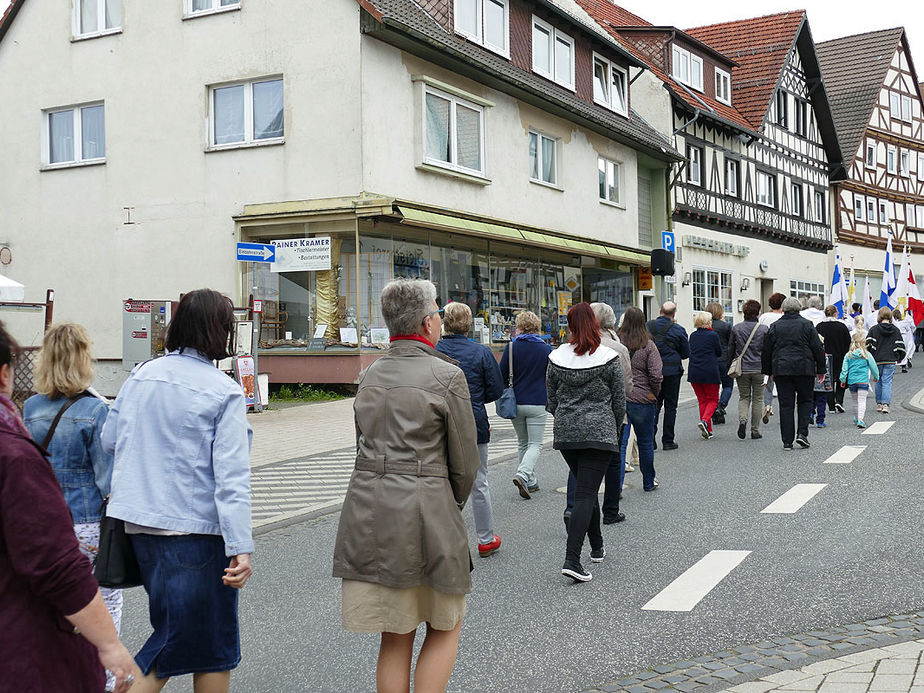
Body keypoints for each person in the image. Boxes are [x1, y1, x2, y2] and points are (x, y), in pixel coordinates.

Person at [101, 289, 254, 693]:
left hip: (138, 524)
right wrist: (241, 545)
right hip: (196, 532)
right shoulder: (223, 391)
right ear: (221, 331)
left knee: (208, 644)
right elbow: (231, 477)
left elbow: (109, 439)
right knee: (181, 640)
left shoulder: (142, 375)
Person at [333, 279, 479, 692]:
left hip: (371, 511)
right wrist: (449, 504)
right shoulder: (447, 376)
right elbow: (465, 465)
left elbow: (362, 439)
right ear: (426, 322)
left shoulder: (370, 374)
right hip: (428, 512)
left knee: (395, 634)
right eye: (435, 311)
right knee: (445, 622)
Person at [0, 321, 139, 693]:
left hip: (44, 523)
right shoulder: (95, 410)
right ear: (83, 359)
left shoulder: (29, 407)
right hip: (89, 524)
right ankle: (110, 680)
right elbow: (107, 480)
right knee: (103, 608)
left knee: (57, 611)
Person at [547, 303, 625, 583]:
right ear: (594, 324)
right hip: (600, 432)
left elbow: (551, 399)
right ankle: (572, 560)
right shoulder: (608, 356)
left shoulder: (556, 357)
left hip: (567, 433)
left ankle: (597, 546)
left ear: (569, 326)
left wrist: (566, 417)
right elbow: (619, 400)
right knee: (585, 494)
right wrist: (614, 429)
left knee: (585, 488)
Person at [436, 302, 504, 558]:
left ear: (444, 323)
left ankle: (443, 542)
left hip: (439, 423)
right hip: (474, 421)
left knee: (441, 482)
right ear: (468, 324)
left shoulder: (433, 350)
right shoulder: (481, 352)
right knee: (479, 481)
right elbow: (496, 390)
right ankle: (486, 539)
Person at [499, 310, 553, 499]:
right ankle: (523, 474)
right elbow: (551, 377)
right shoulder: (547, 350)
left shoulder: (512, 347)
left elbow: (502, 374)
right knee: (535, 444)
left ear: (519, 327)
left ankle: (530, 481)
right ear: (537, 328)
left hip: (516, 402)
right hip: (538, 401)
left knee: (523, 442)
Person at [761, 297, 826, 450]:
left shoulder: (775, 326)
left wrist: (768, 371)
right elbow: (818, 348)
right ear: (799, 309)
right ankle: (802, 434)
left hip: (782, 369)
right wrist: (821, 370)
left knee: (786, 405)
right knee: (805, 401)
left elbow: (766, 351)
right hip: (804, 368)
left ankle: (787, 441)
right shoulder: (807, 325)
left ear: (783, 310)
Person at [591, 302, 632, 526]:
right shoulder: (618, 348)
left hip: (578, 416)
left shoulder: (576, 345)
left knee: (582, 464)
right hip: (611, 414)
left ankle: (574, 506)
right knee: (614, 461)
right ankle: (611, 509)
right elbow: (627, 386)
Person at [617, 307, 662, 493]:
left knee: (621, 445)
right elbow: (656, 374)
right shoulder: (648, 345)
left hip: (621, 398)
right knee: (645, 442)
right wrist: (654, 393)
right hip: (643, 399)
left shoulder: (617, 342)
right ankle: (649, 481)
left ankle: (616, 487)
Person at [647, 302, 689, 450]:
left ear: (660, 311)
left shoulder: (648, 327)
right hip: (672, 373)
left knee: (654, 405)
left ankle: (650, 439)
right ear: (674, 314)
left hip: (652, 372)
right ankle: (668, 440)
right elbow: (685, 353)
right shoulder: (678, 329)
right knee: (671, 406)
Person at [727, 299, 768, 440]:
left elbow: (731, 349)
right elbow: (767, 350)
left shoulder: (736, 328)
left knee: (744, 397)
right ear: (757, 313)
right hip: (759, 367)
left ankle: (743, 420)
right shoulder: (764, 329)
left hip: (742, 368)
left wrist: (729, 366)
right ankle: (755, 430)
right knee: (758, 398)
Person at [687, 311, 723, 440]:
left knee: (702, 400)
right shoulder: (713, 335)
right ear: (708, 322)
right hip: (709, 371)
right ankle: (705, 421)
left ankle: (708, 429)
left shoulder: (693, 336)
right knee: (713, 399)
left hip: (694, 371)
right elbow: (719, 352)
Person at [867, 307, 906, 414]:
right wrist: (899, 357)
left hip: (877, 359)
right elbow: (901, 346)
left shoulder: (873, 329)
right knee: (887, 381)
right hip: (890, 359)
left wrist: (869, 357)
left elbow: (867, 345)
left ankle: (879, 404)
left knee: (878, 380)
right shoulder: (895, 330)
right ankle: (885, 404)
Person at [839, 329, 879, 428]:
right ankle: (861, 419)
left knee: (854, 401)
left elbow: (844, 369)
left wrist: (843, 380)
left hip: (852, 381)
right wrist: (876, 376)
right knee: (862, 400)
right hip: (863, 381)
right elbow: (873, 367)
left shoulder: (848, 355)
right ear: (863, 343)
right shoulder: (866, 354)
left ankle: (856, 417)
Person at [816, 306, 851, 414]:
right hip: (840, 356)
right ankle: (839, 400)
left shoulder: (819, 327)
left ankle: (831, 405)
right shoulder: (842, 326)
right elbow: (848, 342)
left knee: (828, 380)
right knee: (841, 378)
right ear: (836, 313)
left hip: (825, 357)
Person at [758, 292, 786, 424]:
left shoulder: (764, 317)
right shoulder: (784, 317)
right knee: (783, 381)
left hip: (766, 349)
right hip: (782, 351)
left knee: (768, 380)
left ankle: (768, 404)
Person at [705, 302, 733, 425]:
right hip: (724, 359)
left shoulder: (705, 326)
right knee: (728, 385)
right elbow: (731, 344)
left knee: (713, 387)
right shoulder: (726, 326)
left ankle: (715, 408)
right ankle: (721, 406)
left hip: (709, 360)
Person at [893, 308, 915, 373]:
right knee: (904, 350)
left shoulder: (893, 323)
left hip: (895, 337)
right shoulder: (904, 322)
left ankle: (894, 365)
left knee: (895, 351)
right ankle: (903, 366)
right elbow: (909, 329)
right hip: (903, 336)